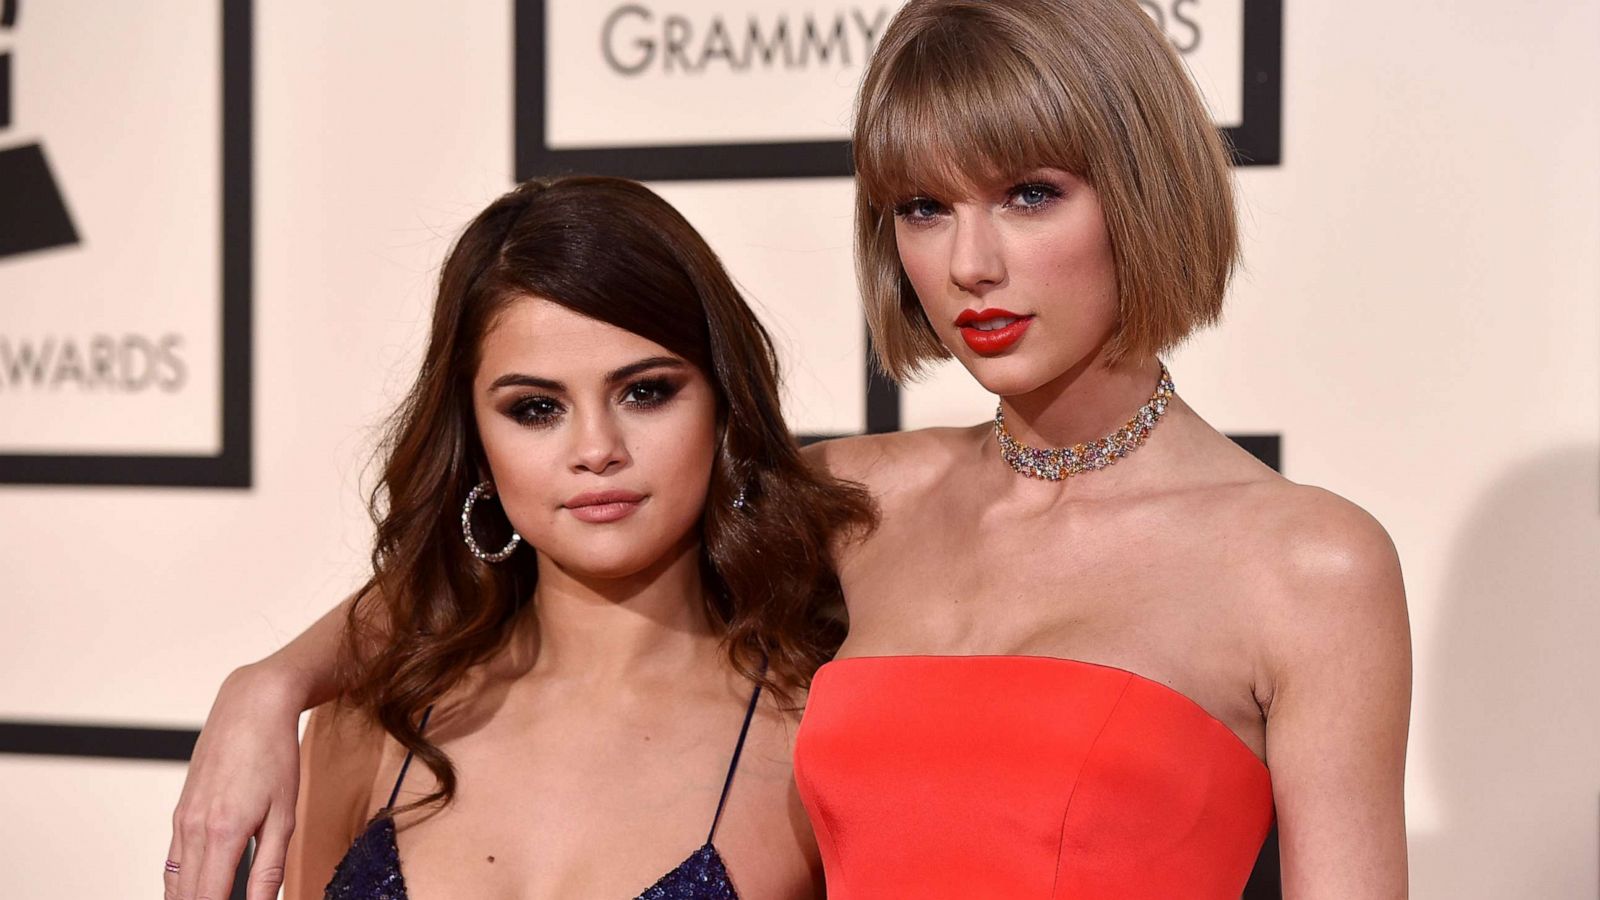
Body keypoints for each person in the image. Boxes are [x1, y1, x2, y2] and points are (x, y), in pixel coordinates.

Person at [170, 1, 1411, 898]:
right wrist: (271, 684)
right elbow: (547, 535)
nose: (968, 264)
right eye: (924, 208)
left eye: (1030, 193)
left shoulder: (1305, 566)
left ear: (1141, 191)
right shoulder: (862, 498)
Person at [168, 175, 873, 900]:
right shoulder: (369, 725)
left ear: (724, 405)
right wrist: (267, 683)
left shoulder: (812, 738)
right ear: (474, 440)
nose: (597, 448)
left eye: (646, 391)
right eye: (536, 408)